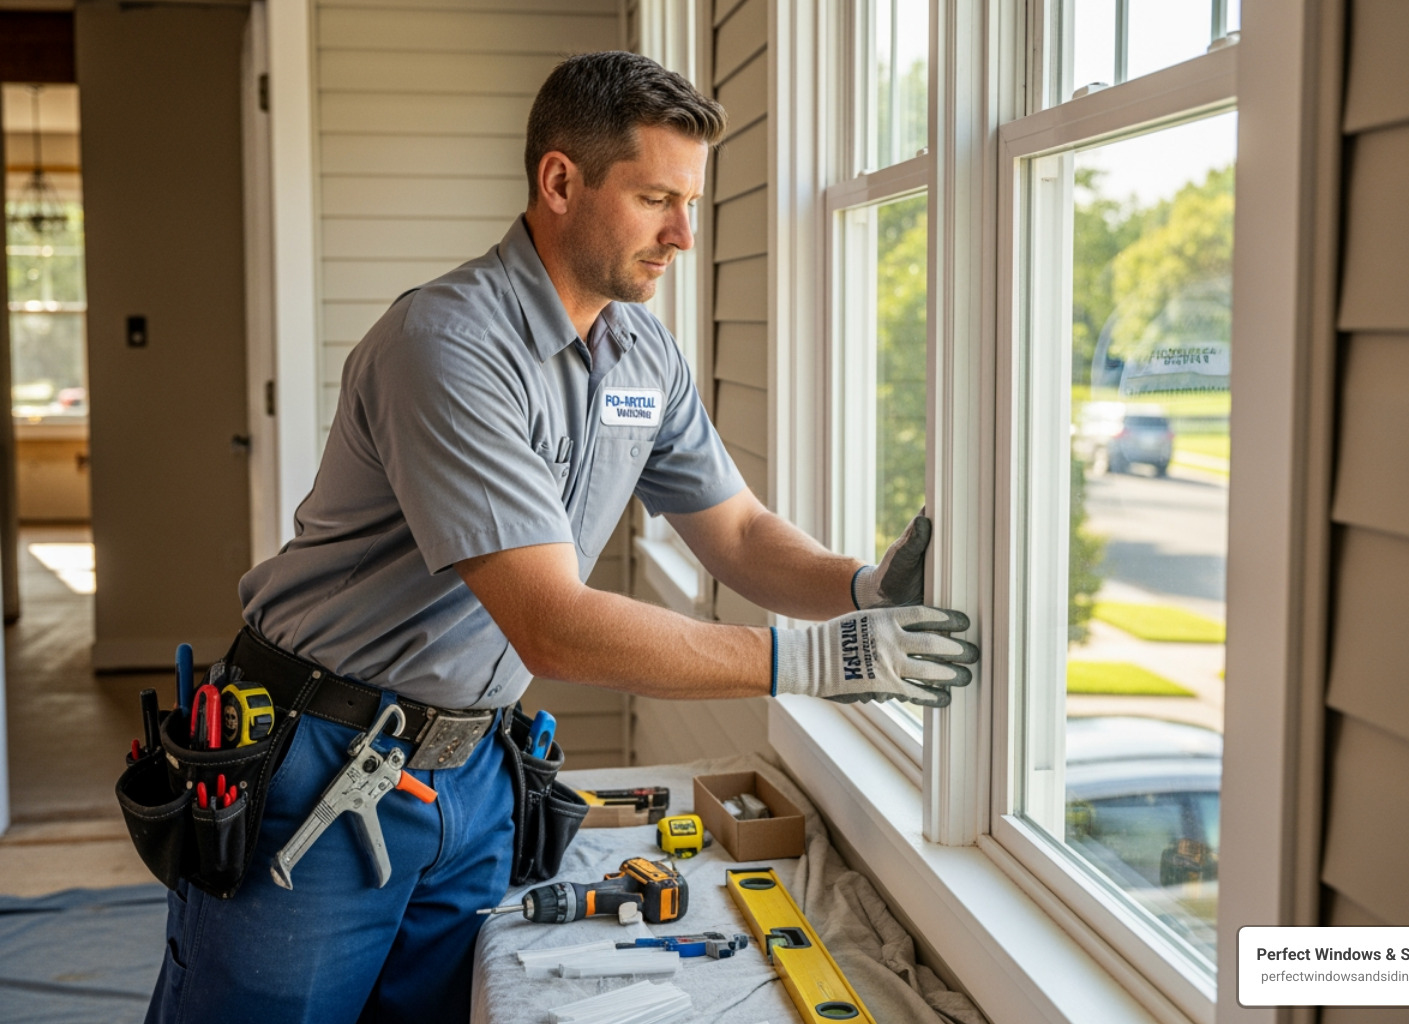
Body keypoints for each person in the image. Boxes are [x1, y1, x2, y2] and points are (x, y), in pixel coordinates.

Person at [144, 51, 977, 1024]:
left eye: (691, 202)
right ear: (559, 182)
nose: (684, 234)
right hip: (321, 763)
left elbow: (740, 533)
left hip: (472, 771)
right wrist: (816, 661)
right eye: (656, 199)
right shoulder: (449, 346)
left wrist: (863, 590)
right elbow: (553, 625)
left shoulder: (641, 351)